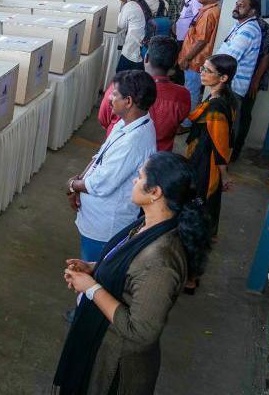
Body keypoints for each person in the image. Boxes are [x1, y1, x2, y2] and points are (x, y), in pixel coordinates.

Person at [54, 152, 209, 395]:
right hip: (101, 342)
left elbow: (141, 332)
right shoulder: (149, 223)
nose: (134, 182)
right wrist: (94, 268)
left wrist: (92, 289)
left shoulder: (161, 261)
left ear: (155, 192)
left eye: (139, 177)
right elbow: (129, 268)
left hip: (116, 363)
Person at [67, 70, 157, 261]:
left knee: (93, 274)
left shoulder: (133, 142)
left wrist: (73, 185)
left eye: (114, 94)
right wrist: (79, 181)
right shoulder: (126, 123)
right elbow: (100, 154)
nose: (109, 99)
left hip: (105, 226)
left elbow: (101, 184)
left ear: (129, 101)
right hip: (95, 216)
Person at [184, 53, 237, 280]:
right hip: (202, 159)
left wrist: (224, 175)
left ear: (223, 78)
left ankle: (191, 276)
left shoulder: (216, 107)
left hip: (206, 165)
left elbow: (221, 146)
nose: (202, 73)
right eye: (203, 68)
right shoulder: (224, 99)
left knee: (197, 215)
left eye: (208, 71)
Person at [99, 36, 190, 152]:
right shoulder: (183, 95)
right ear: (174, 63)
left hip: (118, 152)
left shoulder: (120, 86)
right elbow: (178, 123)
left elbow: (103, 119)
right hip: (157, 160)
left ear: (146, 58)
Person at [217, 0, 263, 155]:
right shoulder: (240, 25)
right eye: (237, 3)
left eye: (241, 6)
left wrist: (209, 67)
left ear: (253, 11)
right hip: (228, 84)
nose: (236, 7)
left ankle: (221, 162)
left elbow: (229, 58)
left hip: (233, 87)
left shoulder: (249, 29)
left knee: (224, 128)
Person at [177, 0, 223, 112]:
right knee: (190, 89)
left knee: (191, 92)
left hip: (195, 60)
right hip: (194, 59)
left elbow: (202, 40)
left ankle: (187, 123)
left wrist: (187, 58)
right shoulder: (208, 10)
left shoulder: (209, 14)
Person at [115, 0, 164, 73]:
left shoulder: (131, 5)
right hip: (153, 55)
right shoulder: (164, 4)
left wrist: (124, 3)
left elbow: (121, 25)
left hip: (132, 54)